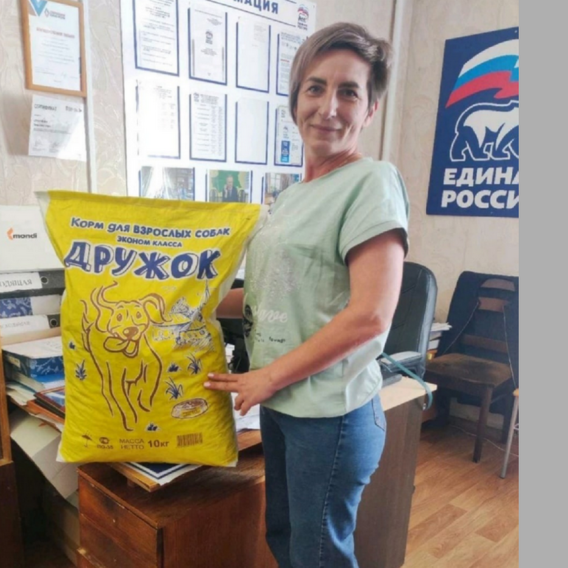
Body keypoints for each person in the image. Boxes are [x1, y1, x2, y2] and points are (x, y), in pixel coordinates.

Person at [206, 22, 410, 568]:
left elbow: (371, 315)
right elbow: (265, 295)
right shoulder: (292, 196)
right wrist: (184, 302)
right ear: (296, 100)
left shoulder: (372, 182)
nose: (328, 107)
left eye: (349, 92)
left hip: (328, 415)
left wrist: (269, 376)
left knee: (316, 556)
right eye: (315, 88)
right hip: (281, 403)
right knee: (286, 540)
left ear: (370, 110)